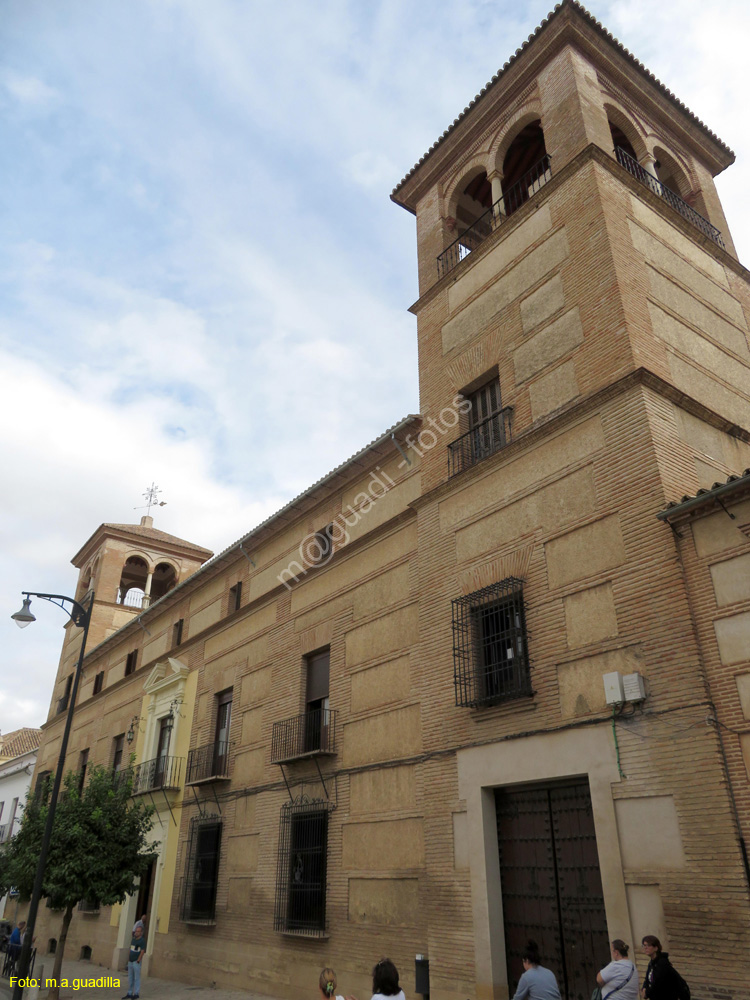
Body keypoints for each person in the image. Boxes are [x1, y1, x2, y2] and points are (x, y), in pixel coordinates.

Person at [641, 936, 688, 1000]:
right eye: (644, 945)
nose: (645, 948)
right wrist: (644, 988)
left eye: (648, 945)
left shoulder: (662, 963)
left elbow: (657, 983)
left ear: (656, 948)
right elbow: (647, 979)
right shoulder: (652, 962)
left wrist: (647, 993)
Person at [122, 924, 145, 1000]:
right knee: (130, 978)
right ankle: (129, 993)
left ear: (141, 932)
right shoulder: (133, 940)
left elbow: (142, 951)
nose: (136, 932)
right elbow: (130, 949)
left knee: (136, 978)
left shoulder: (142, 941)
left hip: (136, 962)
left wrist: (138, 960)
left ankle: (136, 993)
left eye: (138, 931)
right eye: (136, 931)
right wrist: (128, 959)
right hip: (130, 961)